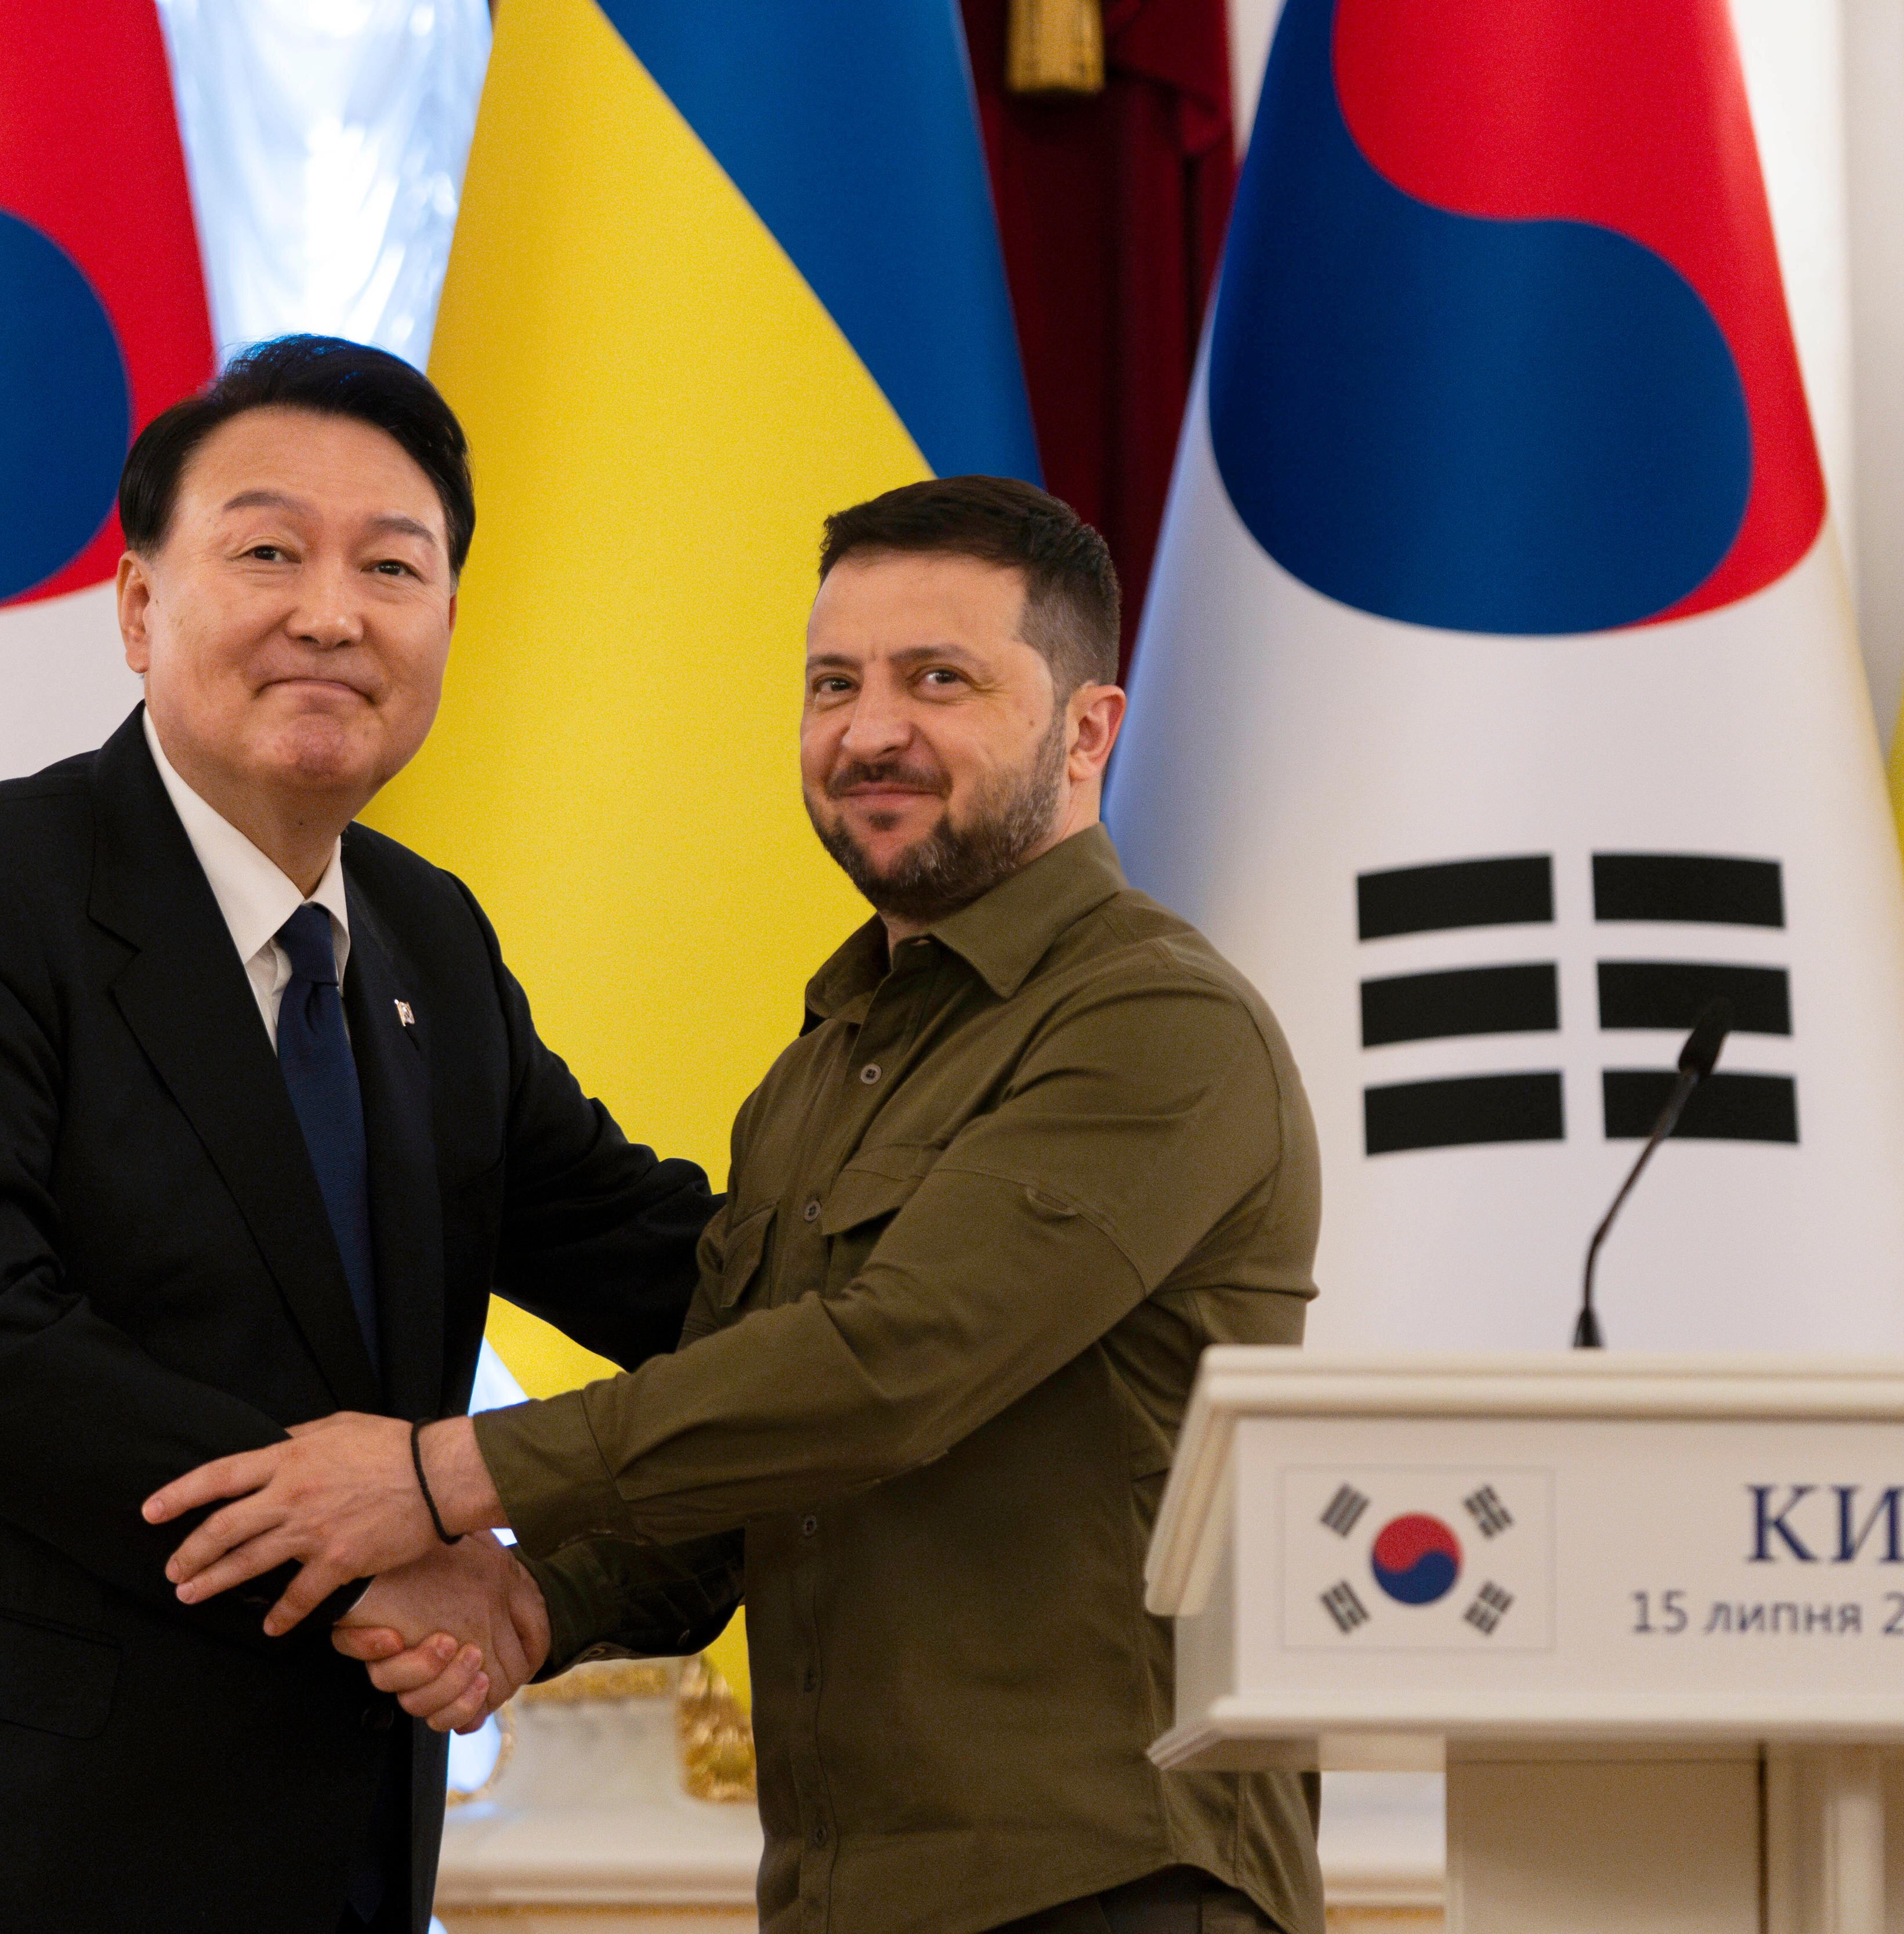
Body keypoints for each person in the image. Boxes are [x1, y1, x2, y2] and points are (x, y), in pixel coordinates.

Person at [149, 475, 1324, 1934]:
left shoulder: (1155, 1022)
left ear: (1088, 729)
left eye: (938, 678)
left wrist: (443, 1473)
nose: (868, 729)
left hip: (1117, 1883)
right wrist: (538, 1603)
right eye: (834, 682)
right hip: (848, 1896)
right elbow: (754, 1456)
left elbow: (890, 1369)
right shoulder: (817, 1074)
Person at [0, 335, 715, 1934]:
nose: (333, 612)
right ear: (140, 606)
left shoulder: (432, 948)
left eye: (393, 565)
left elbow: (675, 1270)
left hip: (304, 1853)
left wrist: (950, 1290)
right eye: (270, 549)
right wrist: (380, 1544)